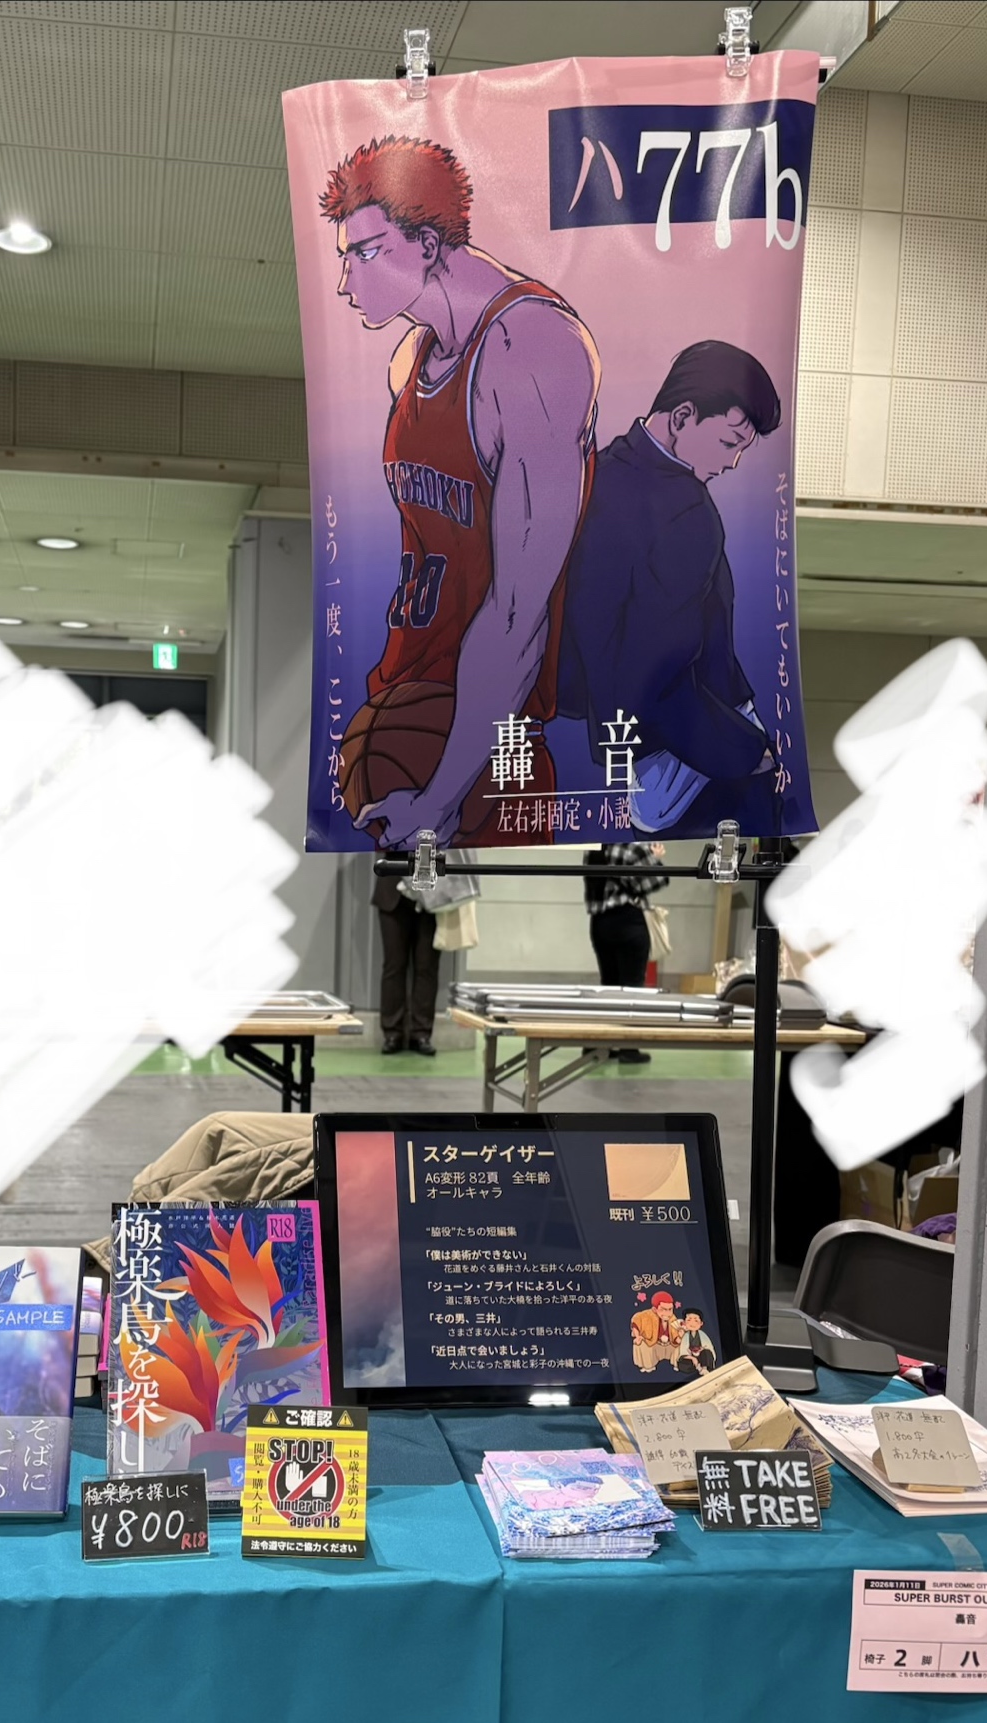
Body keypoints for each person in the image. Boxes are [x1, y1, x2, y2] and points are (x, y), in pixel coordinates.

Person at [318, 135, 600, 849]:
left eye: (365, 253)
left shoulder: (532, 348)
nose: (347, 283)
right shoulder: (410, 358)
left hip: (489, 730)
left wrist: (440, 796)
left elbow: (518, 609)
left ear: (427, 244)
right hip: (405, 697)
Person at [559, 340, 783, 838]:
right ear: (682, 417)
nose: (733, 463)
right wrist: (742, 750)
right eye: (728, 442)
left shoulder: (596, 473)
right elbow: (654, 664)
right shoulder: (685, 512)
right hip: (694, 742)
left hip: (630, 735)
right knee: (749, 866)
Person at [583, 841, 667, 1065]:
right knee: (632, 988)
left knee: (608, 985)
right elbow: (655, 881)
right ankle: (629, 1048)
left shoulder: (593, 849)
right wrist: (655, 858)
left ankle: (598, 1044)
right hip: (628, 920)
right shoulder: (632, 847)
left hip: (599, 923)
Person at [371, 870, 439, 1056]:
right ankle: (392, 1034)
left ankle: (421, 1034)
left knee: (427, 967)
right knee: (394, 966)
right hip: (392, 892)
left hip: (431, 893)